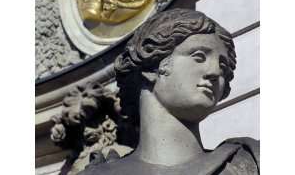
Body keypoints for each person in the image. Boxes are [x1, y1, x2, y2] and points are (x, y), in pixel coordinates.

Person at [79, 9, 259, 175]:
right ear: (151, 67)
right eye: (199, 57)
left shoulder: (249, 163)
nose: (215, 72)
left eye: (223, 66)